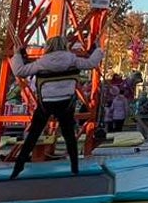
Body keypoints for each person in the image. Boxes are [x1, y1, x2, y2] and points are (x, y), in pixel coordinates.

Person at [9, 36, 103, 179]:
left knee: (33, 134)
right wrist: (98, 49)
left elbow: (20, 71)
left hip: (46, 103)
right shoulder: (73, 60)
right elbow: (91, 63)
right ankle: (74, 166)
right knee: (69, 135)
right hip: (66, 102)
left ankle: (18, 167)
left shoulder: (42, 62)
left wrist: (17, 54)